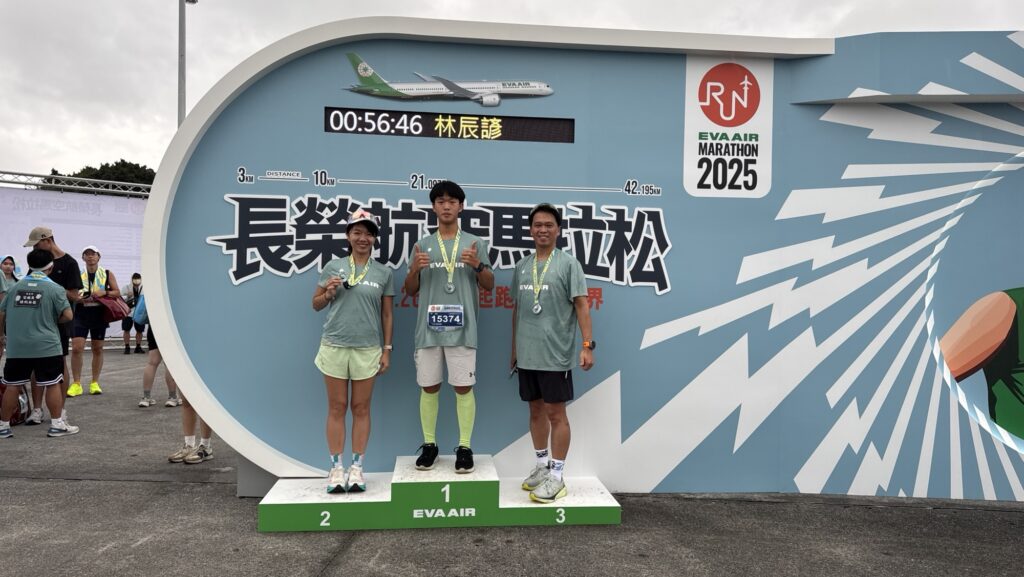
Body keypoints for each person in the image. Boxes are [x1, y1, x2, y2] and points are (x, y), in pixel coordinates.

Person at [403, 181, 494, 473]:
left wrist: (478, 265)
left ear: (461, 206)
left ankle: (464, 447)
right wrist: (414, 270)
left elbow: (489, 284)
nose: (446, 206)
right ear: (433, 207)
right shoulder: (422, 245)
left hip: (463, 329)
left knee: (463, 387)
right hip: (428, 330)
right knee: (429, 386)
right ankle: (429, 445)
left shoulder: (474, 243)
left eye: (452, 201)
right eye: (440, 201)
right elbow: (410, 289)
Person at [510, 203, 595, 503]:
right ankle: (542, 466)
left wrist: (587, 346)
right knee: (535, 411)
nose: (542, 230)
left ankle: (557, 477)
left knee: (556, 414)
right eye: (537, 225)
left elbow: (582, 305)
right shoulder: (522, 266)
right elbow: (518, 309)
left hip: (555, 355)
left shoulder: (569, 264)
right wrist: (514, 349)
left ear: (558, 230)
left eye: (548, 225)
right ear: (530, 230)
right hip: (527, 355)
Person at [312, 209, 394, 493]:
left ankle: (357, 467)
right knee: (337, 407)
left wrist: (386, 349)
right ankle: (336, 468)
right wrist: (328, 293)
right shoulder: (333, 267)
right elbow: (316, 304)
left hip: (368, 348)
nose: (363, 238)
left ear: (374, 239)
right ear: (348, 236)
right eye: (357, 232)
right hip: (334, 345)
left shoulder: (383, 272)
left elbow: (387, 315)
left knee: (361, 408)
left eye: (368, 234)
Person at [0, 249, 78, 438]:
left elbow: (2, 313)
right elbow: (68, 315)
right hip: (47, 346)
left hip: (17, 346)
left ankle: (3, 426)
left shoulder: (14, 288)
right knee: (52, 383)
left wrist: (2, 335)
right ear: (50, 267)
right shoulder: (55, 289)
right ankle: (57, 425)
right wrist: (52, 320)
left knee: (12, 385)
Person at [23, 226, 83, 427]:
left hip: (59, 322)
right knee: (35, 363)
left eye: (36, 245)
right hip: (36, 321)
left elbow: (74, 295)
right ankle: (37, 409)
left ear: (47, 240)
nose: (34, 249)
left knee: (60, 362)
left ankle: (61, 410)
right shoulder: (37, 261)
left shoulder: (69, 263)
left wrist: (49, 286)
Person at [152, 327, 215, 464]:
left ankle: (205, 446)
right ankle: (189, 445)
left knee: (204, 402)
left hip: (203, 348)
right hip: (183, 349)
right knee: (186, 401)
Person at [69, 245, 119, 396]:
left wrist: (105, 292)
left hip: (99, 313)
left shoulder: (107, 273)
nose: (90, 256)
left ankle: (94, 382)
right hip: (80, 313)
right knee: (77, 348)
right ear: (83, 257)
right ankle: (76, 383)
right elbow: (70, 293)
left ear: (99, 257)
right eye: (87, 254)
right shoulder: (77, 273)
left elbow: (117, 292)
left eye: (93, 254)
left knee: (97, 348)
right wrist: (77, 299)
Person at [0, 255, 19, 364]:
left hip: (12, 318)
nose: (8, 266)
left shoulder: (18, 282)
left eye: (11, 264)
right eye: (5, 263)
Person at [121, 273, 146, 354]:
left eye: (138, 279)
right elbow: (120, 299)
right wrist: (127, 296)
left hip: (139, 313)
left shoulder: (144, 288)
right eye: (135, 279)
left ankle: (138, 347)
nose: (137, 281)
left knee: (140, 330)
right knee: (126, 329)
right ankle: (127, 347)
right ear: (132, 279)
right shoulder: (126, 287)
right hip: (128, 312)